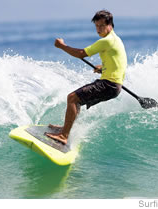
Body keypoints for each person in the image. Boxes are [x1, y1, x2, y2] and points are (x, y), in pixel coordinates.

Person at [46, 10, 127, 145]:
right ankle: (66, 129)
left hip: (109, 84)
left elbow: (81, 53)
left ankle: (64, 136)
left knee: (72, 98)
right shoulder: (116, 39)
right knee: (76, 99)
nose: (99, 29)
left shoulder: (106, 41)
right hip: (114, 85)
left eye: (102, 26)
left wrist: (62, 46)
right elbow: (119, 61)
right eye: (96, 26)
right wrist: (103, 68)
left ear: (110, 25)